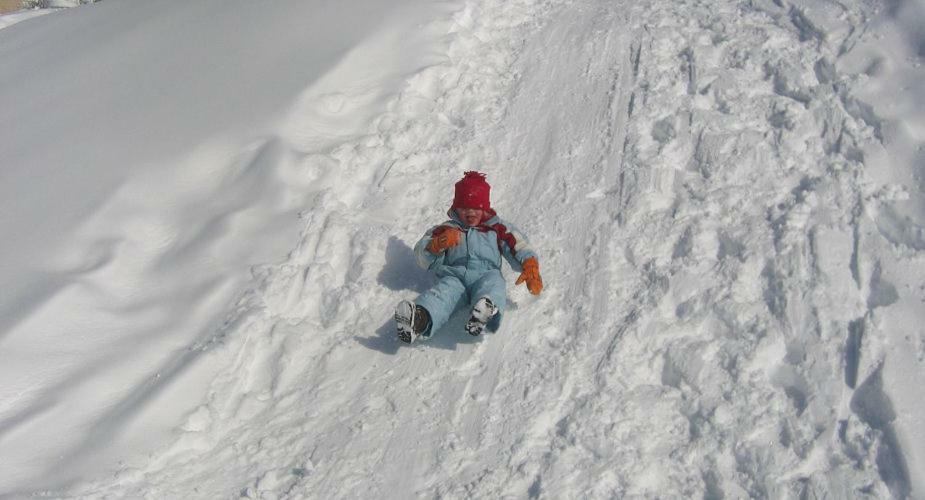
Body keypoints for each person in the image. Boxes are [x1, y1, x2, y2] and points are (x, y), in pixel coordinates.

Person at [395, 171, 543, 343]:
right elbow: (421, 256)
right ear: (455, 207)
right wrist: (437, 244)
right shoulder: (445, 229)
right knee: (441, 295)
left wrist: (530, 263)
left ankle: (487, 309)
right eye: (464, 207)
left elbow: (517, 244)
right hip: (454, 276)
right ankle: (419, 320)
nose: (470, 212)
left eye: (476, 208)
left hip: (486, 273)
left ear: (485, 208)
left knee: (494, 284)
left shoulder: (496, 228)